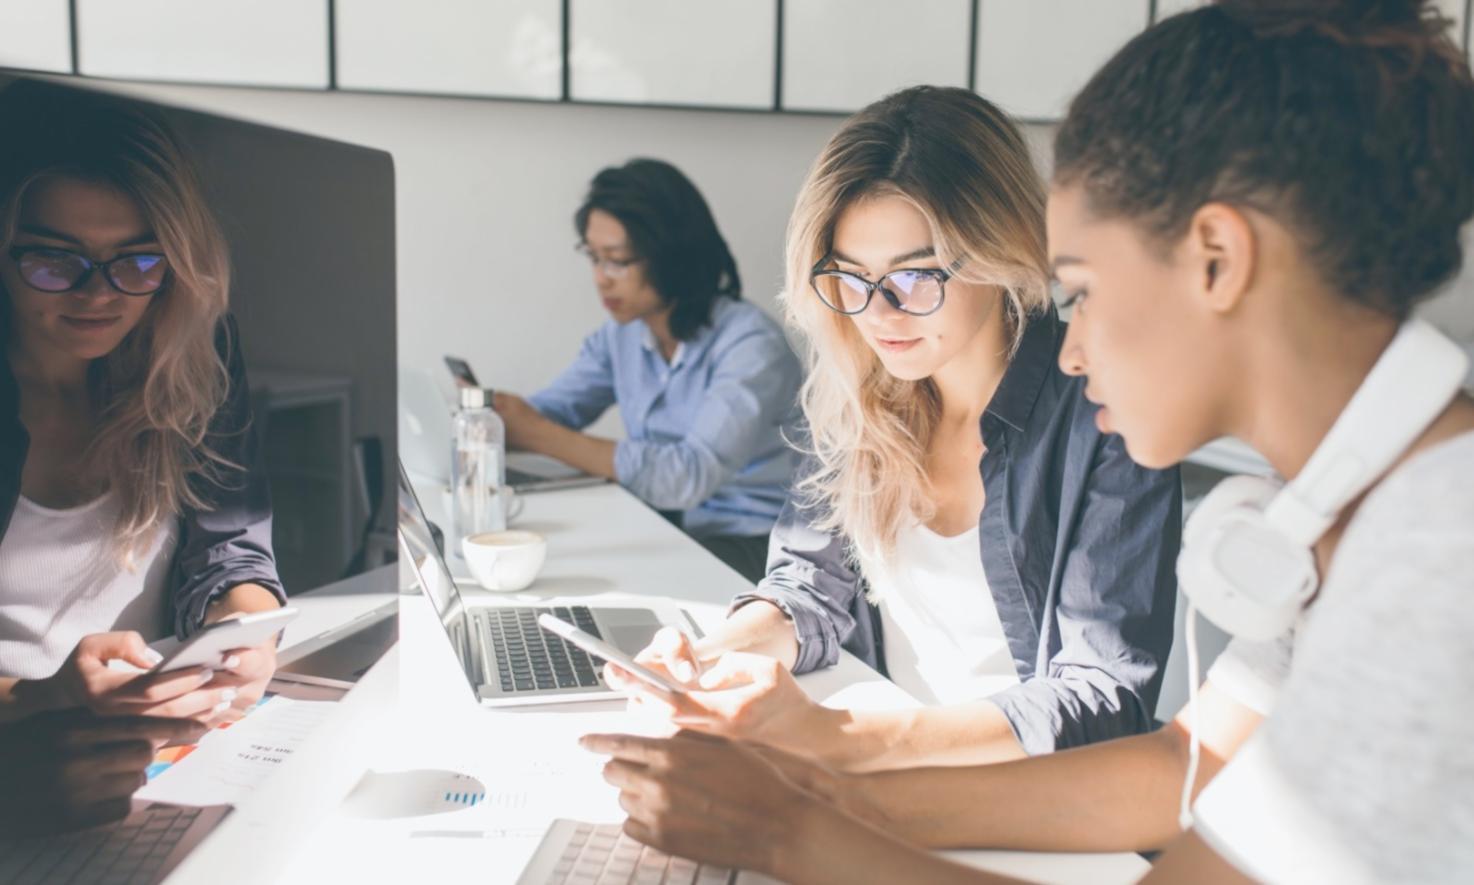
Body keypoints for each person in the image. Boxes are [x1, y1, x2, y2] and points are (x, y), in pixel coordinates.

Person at [583, 1, 1474, 881]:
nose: (1071, 348)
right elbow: (1180, 770)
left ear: (1216, 256)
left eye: (1079, 289)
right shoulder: (1349, 514)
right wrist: (828, 792)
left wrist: (796, 831)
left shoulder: (1436, 561)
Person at [605, 86, 1181, 772]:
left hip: (1020, 797)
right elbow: (807, 589)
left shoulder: (1107, 417)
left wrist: (843, 738)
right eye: (849, 278)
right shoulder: (859, 398)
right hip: (872, 767)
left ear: (1002, 250)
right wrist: (705, 655)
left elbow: (1103, 696)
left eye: (912, 278)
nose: (876, 315)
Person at [0, 82, 287, 832]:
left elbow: (233, 553)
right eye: (56, 262)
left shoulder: (190, 355)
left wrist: (248, 633)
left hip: (159, 767)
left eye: (136, 260)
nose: (101, 295)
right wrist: (35, 701)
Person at [490, 159, 802, 583]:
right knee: (563, 560)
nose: (601, 279)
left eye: (617, 261)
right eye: (594, 258)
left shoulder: (750, 345)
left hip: (761, 546)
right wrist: (490, 418)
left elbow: (688, 476)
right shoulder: (621, 336)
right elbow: (551, 414)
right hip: (672, 524)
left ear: (671, 257)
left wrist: (535, 432)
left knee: (598, 575)